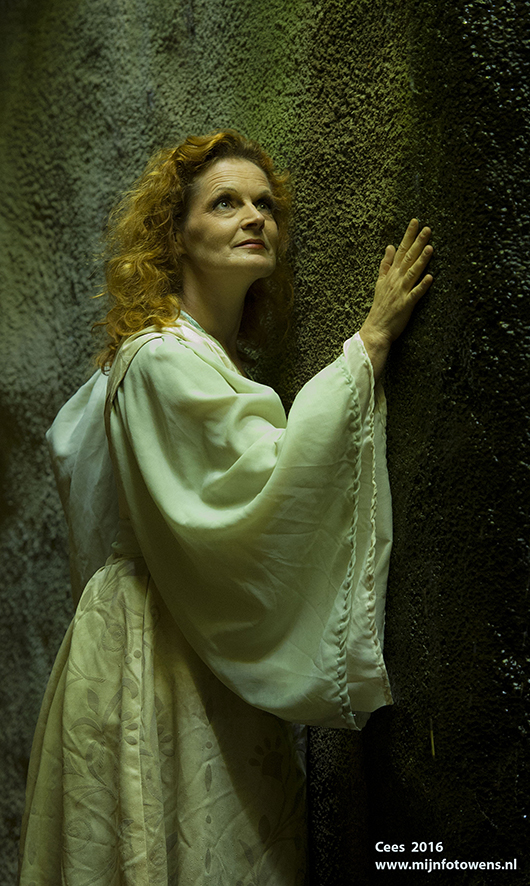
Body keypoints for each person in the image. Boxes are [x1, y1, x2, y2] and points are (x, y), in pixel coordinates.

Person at [18, 130, 433, 886]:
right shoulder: (157, 357)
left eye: (265, 204)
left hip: (203, 628)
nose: (254, 217)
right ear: (175, 235)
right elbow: (259, 484)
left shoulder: (204, 356)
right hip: (159, 646)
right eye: (226, 203)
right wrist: (368, 344)